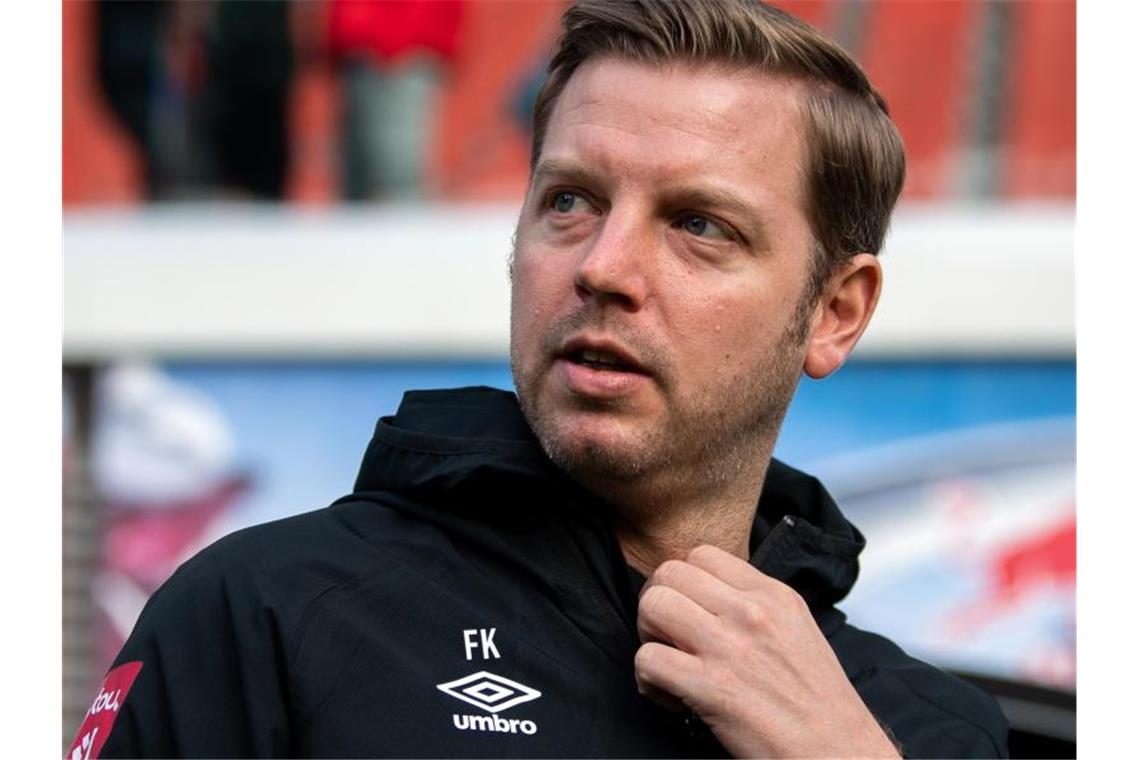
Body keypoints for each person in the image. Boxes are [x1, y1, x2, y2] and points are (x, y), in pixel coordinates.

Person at [69, 1, 1009, 757]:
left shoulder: (929, 732)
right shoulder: (263, 614)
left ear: (835, 311)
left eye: (699, 225)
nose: (604, 266)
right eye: (570, 201)